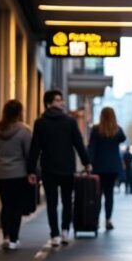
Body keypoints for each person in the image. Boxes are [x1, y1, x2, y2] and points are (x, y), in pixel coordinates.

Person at [27, 90, 92, 247]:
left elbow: (35, 148)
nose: (61, 103)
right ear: (49, 103)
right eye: (58, 100)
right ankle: (64, 232)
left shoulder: (40, 122)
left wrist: (31, 170)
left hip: (48, 168)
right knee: (67, 201)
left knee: (52, 203)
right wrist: (86, 162)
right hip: (66, 168)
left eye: (61, 100)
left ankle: (55, 234)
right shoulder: (69, 122)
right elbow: (78, 143)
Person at [0, 99, 32, 250]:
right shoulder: (25, 130)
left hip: (0, 173)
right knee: (16, 207)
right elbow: (29, 154)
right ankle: (14, 238)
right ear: (20, 112)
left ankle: (5, 236)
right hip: (18, 173)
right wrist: (32, 172)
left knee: (6, 205)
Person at [87, 106, 127, 230]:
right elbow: (123, 138)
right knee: (109, 194)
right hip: (113, 167)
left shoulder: (95, 130)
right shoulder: (117, 130)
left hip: (99, 166)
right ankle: (108, 220)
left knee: (98, 195)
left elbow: (91, 148)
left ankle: (96, 220)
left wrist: (88, 163)